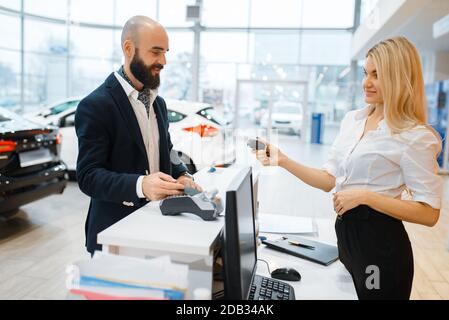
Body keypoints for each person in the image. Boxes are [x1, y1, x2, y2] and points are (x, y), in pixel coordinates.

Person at [254, 36, 443, 300]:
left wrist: (365, 196)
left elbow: (429, 213)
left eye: (377, 75)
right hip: (347, 238)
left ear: (398, 77)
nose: (367, 82)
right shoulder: (353, 120)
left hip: (380, 249)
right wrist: (283, 160)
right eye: (366, 72)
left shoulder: (413, 136)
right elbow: (329, 179)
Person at [75, 16, 201, 255]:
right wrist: (141, 185)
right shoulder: (96, 105)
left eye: (165, 52)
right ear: (128, 49)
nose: (163, 61)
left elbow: (168, 150)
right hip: (114, 236)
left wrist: (182, 174)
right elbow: (89, 176)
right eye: (155, 52)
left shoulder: (159, 104)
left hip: (158, 228)